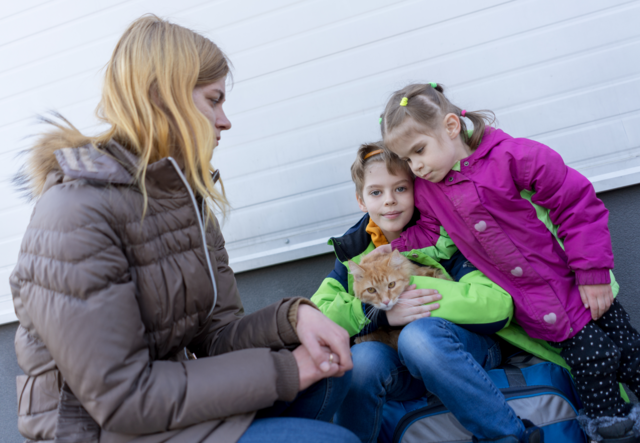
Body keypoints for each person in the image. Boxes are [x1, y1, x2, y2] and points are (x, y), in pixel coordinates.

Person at [10, 15, 358, 443]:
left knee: (338, 376)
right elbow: (122, 399)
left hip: (167, 408)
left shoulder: (183, 197)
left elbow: (216, 336)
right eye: (214, 100)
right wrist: (285, 369)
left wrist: (293, 318)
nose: (225, 120)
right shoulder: (76, 213)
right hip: (107, 430)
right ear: (162, 97)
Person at [377, 82, 640, 442]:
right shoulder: (431, 192)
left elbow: (576, 204)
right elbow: (431, 235)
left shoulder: (513, 157)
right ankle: (613, 430)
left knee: (628, 350)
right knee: (591, 361)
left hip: (579, 285)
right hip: (540, 306)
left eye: (419, 151)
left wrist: (592, 271)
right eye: (407, 159)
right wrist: (393, 250)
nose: (416, 166)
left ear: (451, 127)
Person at [311, 142, 536, 442]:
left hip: (467, 349)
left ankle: (509, 436)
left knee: (419, 338)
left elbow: (496, 304)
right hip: (403, 367)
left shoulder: (446, 231)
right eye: (376, 192)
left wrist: (412, 288)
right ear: (361, 200)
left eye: (401, 189)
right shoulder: (354, 250)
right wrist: (376, 314)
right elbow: (317, 316)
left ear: (417, 188)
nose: (389, 201)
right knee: (361, 361)